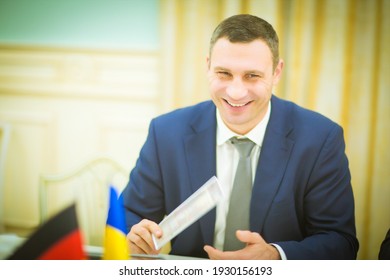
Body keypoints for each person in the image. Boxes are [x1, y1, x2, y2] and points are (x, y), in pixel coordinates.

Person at [121, 14, 359, 259]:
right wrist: (133, 236)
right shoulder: (166, 133)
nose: (235, 92)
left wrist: (275, 256)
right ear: (208, 66)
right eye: (223, 73)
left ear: (277, 73)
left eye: (252, 76)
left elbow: (340, 243)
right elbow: (126, 218)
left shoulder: (320, 139)